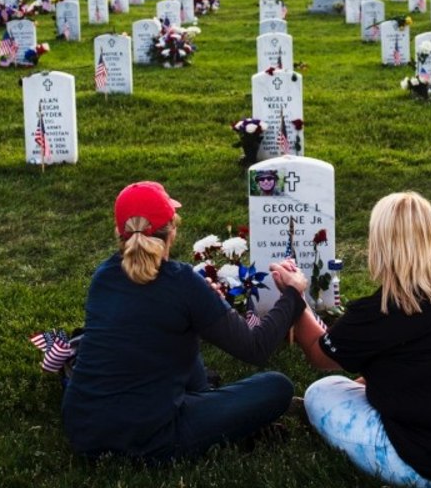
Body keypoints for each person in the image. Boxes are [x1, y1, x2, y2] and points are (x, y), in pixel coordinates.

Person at [278, 192, 431, 487]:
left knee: (321, 392)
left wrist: (295, 297)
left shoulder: (379, 311)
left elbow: (319, 356)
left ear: (379, 243)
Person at [61, 181, 308, 461]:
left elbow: (154, 320)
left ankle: (215, 410)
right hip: (151, 438)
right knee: (278, 386)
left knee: (185, 361)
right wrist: (293, 294)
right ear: (172, 231)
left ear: (120, 232)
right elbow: (256, 348)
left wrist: (203, 306)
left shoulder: (102, 276)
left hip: (84, 429)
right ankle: (231, 423)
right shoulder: (182, 282)